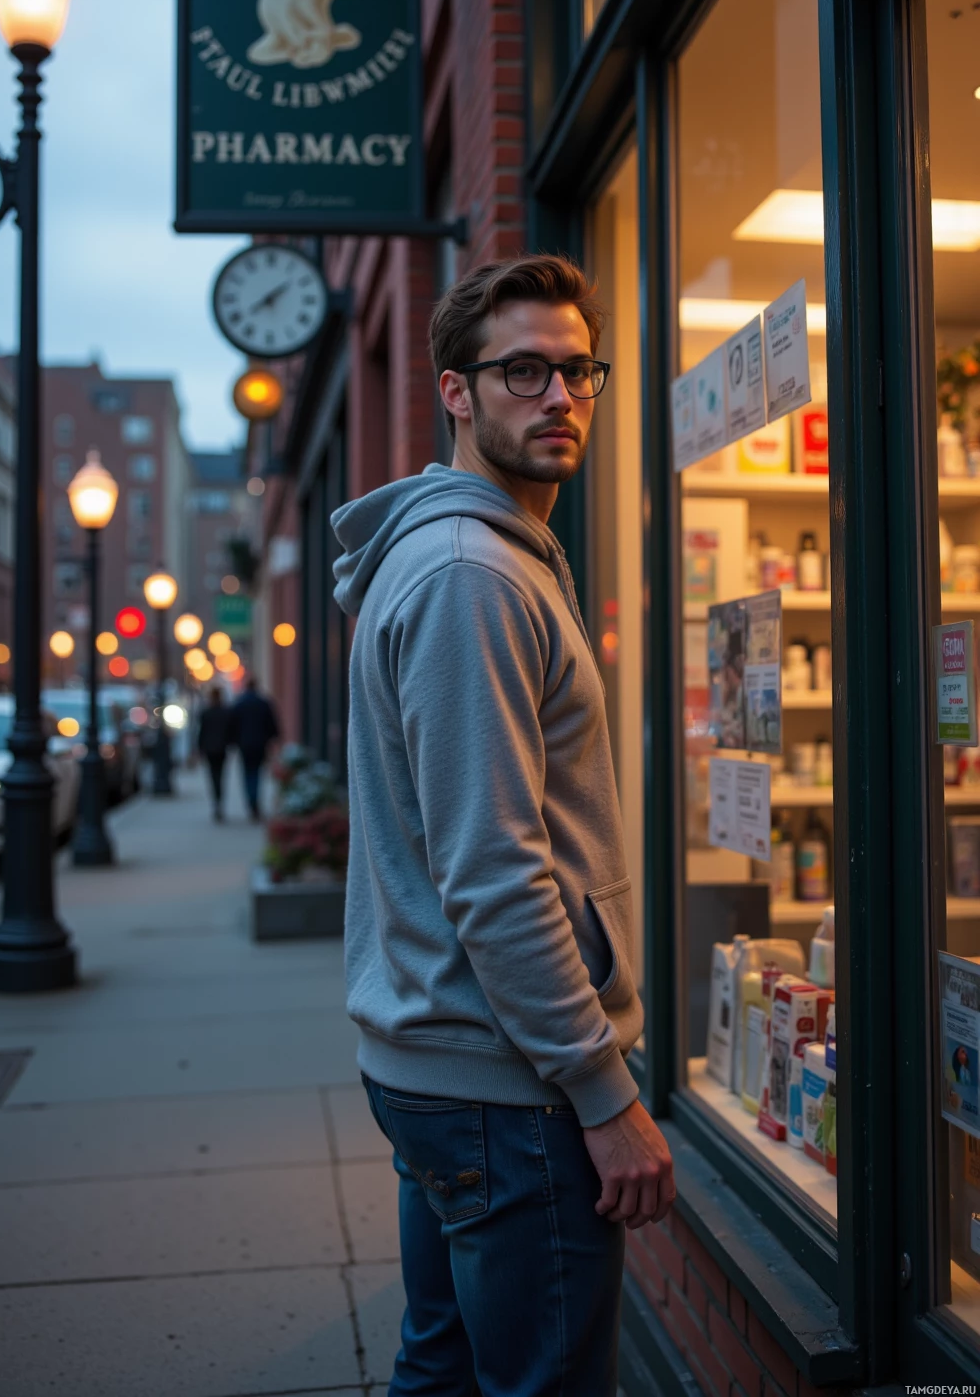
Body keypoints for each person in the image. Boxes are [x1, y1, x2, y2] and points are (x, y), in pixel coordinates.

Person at [331, 255, 675, 1396]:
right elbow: (491, 868)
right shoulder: (472, 573)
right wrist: (603, 1094)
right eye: (522, 370)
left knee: (440, 1371)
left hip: (452, 1063)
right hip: (506, 1086)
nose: (560, 397)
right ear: (455, 391)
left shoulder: (481, 555)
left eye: (579, 371)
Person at [227, 676, 280, 820]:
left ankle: (251, 802)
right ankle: (254, 802)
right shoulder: (263, 703)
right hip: (260, 744)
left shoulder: (239, 703)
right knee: (257, 773)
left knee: (247, 773)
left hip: (244, 745)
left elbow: (232, 726)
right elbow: (272, 724)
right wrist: (274, 739)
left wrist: (233, 742)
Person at [196, 686, 231, 821]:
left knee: (213, 777)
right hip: (221, 749)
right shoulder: (225, 712)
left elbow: (201, 733)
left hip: (210, 749)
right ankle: (219, 802)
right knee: (220, 776)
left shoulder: (206, 712)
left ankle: (217, 803)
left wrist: (199, 749)